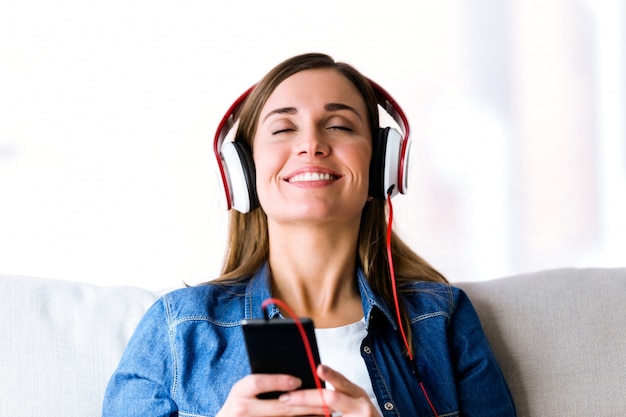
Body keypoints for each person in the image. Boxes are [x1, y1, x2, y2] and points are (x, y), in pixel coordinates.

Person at [102, 52, 516, 417]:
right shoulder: (179, 330)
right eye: (283, 129)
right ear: (242, 173)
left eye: (338, 125)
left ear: (381, 167)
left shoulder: (441, 321)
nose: (312, 144)